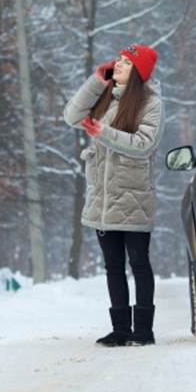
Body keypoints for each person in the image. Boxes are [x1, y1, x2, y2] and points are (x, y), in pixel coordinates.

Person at [63, 44, 163, 347]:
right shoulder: (104, 97)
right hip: (102, 198)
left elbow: (145, 144)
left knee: (138, 263)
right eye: (117, 61)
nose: (117, 65)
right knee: (113, 266)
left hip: (132, 196)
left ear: (138, 71)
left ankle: (143, 331)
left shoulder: (151, 103)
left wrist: (102, 134)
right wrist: (97, 80)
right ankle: (120, 329)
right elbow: (71, 115)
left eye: (125, 63)